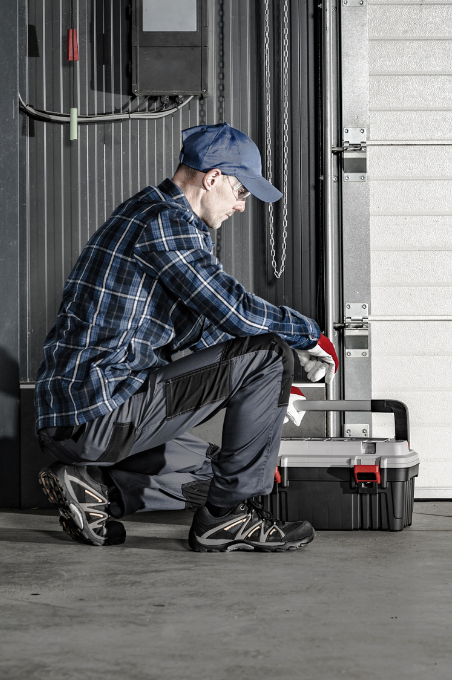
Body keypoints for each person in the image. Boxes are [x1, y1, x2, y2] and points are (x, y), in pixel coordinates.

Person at [34, 122, 337, 553]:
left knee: (211, 469)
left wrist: (268, 394)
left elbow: (202, 330)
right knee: (269, 353)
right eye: (241, 193)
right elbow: (233, 309)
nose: (241, 207)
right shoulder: (165, 222)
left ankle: (96, 488)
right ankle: (226, 519)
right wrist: (307, 337)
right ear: (213, 178)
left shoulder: (152, 214)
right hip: (98, 411)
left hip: (87, 414)